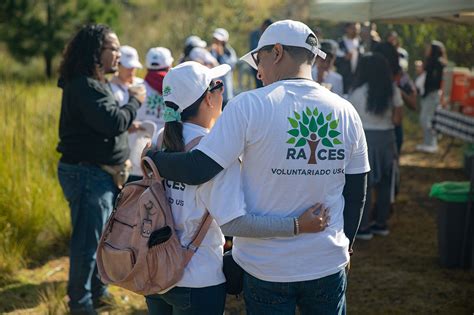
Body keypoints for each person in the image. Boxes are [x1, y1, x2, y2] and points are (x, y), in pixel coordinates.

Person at [145, 20, 370, 314]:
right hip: (326, 261)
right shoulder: (346, 111)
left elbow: (199, 167)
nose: (258, 71)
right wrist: (347, 245)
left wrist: (152, 159)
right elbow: (357, 192)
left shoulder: (248, 106)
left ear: (276, 52)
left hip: (266, 267)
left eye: (258, 59)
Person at [56, 24, 145, 314]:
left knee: (100, 240)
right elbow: (112, 122)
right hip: (87, 176)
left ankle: (98, 292)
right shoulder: (84, 84)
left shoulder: (93, 82)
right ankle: (81, 305)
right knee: (86, 244)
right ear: (96, 52)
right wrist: (135, 100)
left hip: (98, 175)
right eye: (113, 48)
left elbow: (104, 123)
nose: (118, 54)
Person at [349, 53, 403, 240]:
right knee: (386, 182)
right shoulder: (392, 90)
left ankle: (363, 227)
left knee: (365, 183)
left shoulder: (356, 93)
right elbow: (397, 120)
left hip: (364, 139)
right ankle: (381, 223)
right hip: (387, 138)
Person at [109, 45, 150, 182]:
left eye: (134, 67)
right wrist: (127, 126)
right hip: (121, 155)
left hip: (142, 152)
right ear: (117, 65)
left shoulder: (142, 85)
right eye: (128, 66)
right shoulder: (110, 89)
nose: (132, 70)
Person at [416, 40, 447, 153]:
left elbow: (436, 82)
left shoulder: (438, 63)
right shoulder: (431, 62)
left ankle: (432, 143)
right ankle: (427, 143)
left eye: (429, 48)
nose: (427, 50)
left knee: (425, 119)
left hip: (432, 95)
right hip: (427, 94)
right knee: (425, 119)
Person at [335, 22, 365, 95]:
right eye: (353, 29)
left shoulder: (361, 43)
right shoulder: (339, 43)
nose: (355, 31)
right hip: (344, 78)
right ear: (347, 29)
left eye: (357, 29)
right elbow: (334, 61)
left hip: (358, 78)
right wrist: (344, 58)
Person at [210, 28, 237, 106]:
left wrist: (221, 55)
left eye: (219, 40)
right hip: (213, 91)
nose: (216, 42)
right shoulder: (211, 51)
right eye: (215, 39)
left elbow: (229, 66)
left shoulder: (229, 52)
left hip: (226, 92)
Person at [249, 18, 273, 88]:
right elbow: (254, 48)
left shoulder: (269, 35)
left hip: (267, 63)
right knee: (259, 84)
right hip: (256, 61)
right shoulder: (255, 34)